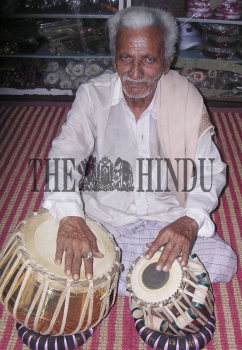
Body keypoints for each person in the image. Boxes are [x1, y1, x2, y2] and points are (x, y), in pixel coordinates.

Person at [42, 6, 237, 295]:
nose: (134, 72)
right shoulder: (92, 94)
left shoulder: (184, 95)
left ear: (166, 62)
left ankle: (110, 280)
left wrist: (189, 220)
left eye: (148, 59)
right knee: (57, 250)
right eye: (126, 58)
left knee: (224, 263)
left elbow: (211, 167)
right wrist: (72, 217)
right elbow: (65, 154)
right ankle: (151, 283)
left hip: (166, 219)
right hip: (106, 219)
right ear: (114, 58)